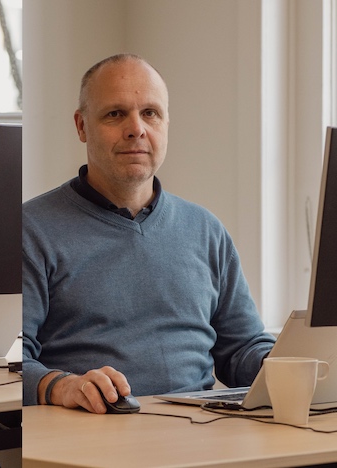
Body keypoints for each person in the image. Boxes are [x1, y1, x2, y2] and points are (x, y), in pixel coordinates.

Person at [22, 53, 276, 414]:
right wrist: (62, 386)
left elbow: (241, 350)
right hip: (92, 431)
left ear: (166, 124)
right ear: (81, 126)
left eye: (150, 113)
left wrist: (291, 364)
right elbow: (9, 363)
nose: (136, 129)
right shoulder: (32, 229)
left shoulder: (205, 229)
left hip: (202, 431)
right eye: (115, 114)